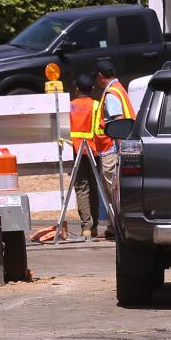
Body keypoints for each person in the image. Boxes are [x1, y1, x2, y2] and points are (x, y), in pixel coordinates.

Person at [94, 59, 136, 239]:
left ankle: (117, 227)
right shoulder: (119, 88)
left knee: (113, 191)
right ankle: (114, 227)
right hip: (117, 147)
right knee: (114, 190)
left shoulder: (111, 93)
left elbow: (118, 122)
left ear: (100, 76)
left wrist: (120, 151)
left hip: (112, 149)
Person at [67, 73, 100, 241]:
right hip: (94, 151)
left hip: (77, 150)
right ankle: (94, 228)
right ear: (92, 89)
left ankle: (86, 227)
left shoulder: (70, 106)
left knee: (82, 188)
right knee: (94, 187)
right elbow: (101, 129)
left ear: (77, 89)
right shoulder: (96, 105)